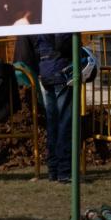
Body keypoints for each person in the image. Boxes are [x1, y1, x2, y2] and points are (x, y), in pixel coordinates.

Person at [34, 34, 73, 182]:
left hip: (46, 72)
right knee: (64, 122)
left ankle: (53, 170)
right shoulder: (60, 23)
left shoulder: (42, 23)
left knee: (53, 122)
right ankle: (64, 171)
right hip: (61, 71)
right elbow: (62, 43)